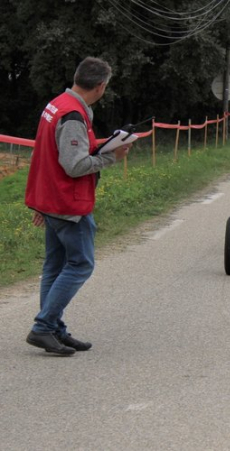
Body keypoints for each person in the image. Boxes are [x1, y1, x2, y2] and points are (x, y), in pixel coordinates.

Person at [24, 57, 131, 356]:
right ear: (100, 86)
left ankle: (54, 330)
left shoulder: (56, 104)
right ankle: (43, 327)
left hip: (50, 197)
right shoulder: (72, 115)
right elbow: (74, 165)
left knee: (54, 267)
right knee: (81, 264)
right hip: (68, 203)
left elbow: (50, 153)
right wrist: (112, 157)